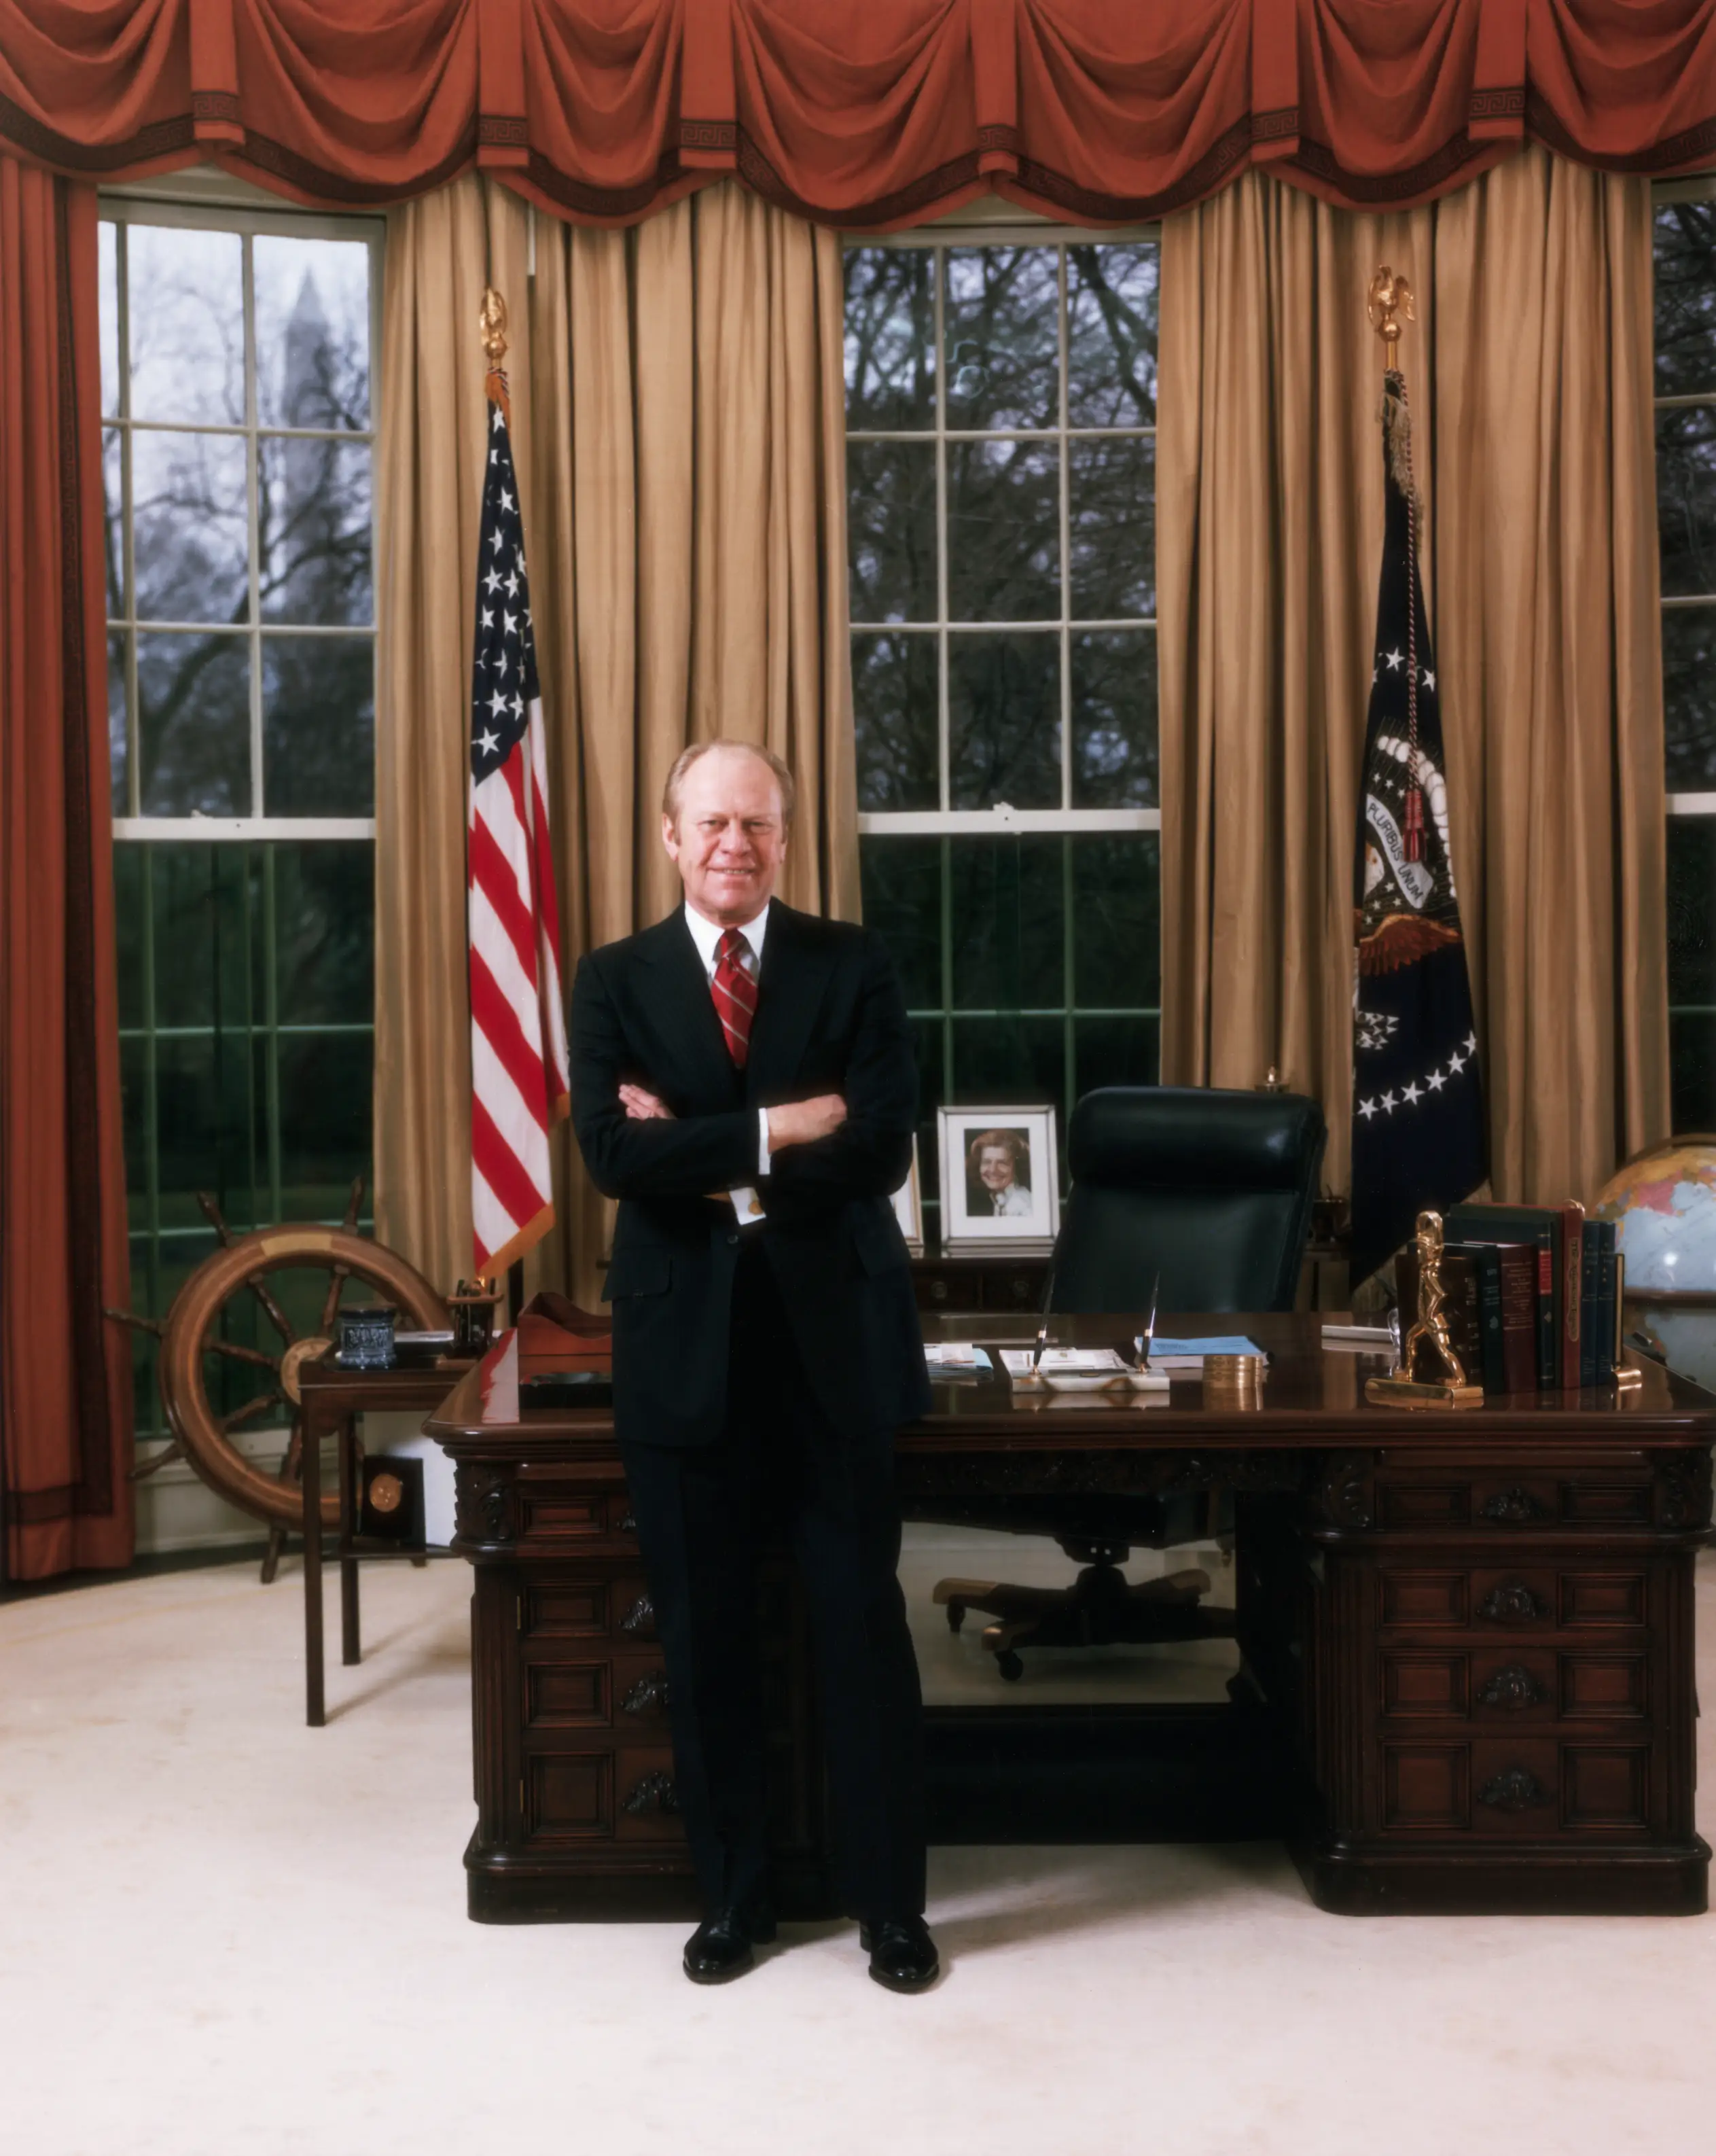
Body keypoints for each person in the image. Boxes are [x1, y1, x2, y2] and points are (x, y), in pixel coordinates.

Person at [568, 739, 937, 1993]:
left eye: (758, 824)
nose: (735, 844)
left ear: (786, 837)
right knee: (706, 1640)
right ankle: (733, 1900)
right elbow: (614, 1158)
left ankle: (890, 1908)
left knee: (861, 1636)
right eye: (713, 822)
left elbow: (879, 1149)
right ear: (670, 836)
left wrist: (704, 1147)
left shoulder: (851, 961)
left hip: (835, 1348)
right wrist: (781, 1125)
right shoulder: (612, 978)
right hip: (683, 1355)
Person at [966, 1127, 1034, 1219]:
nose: (993, 1170)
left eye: (1002, 1163)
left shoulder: (1022, 1204)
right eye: (987, 1162)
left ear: (1016, 1167)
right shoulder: (1001, 1198)